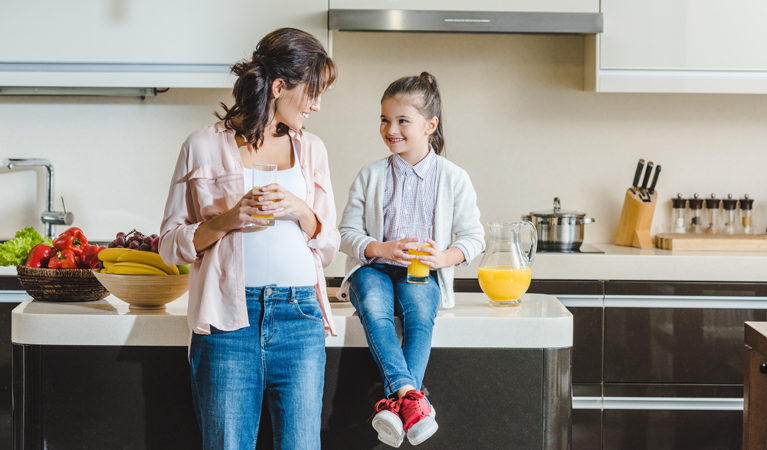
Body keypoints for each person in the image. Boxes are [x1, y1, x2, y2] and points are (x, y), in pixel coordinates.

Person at [158, 27, 339, 450]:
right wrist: (227, 220)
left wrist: (300, 210)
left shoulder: (312, 149)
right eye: (312, 91)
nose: (317, 104)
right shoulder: (202, 145)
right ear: (279, 86)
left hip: (300, 317)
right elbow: (168, 244)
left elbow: (328, 245)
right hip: (227, 321)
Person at [337, 72, 485, 447]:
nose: (391, 129)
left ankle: (395, 404)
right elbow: (344, 234)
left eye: (403, 120)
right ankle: (413, 399)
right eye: (385, 120)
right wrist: (380, 248)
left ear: (430, 126)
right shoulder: (370, 175)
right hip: (373, 268)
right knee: (373, 304)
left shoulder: (454, 178)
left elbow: (474, 238)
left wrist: (444, 257)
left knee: (420, 313)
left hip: (421, 272)